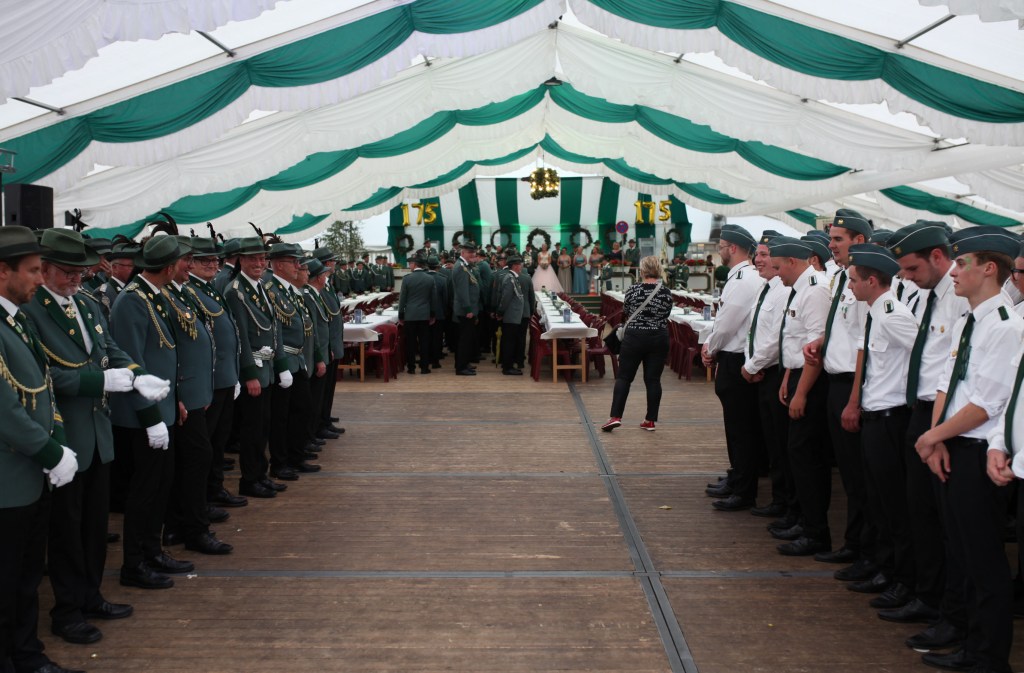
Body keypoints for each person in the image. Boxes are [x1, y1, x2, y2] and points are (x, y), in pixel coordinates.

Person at [23, 230, 158, 644]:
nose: (75, 279)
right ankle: (67, 611)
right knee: (66, 529)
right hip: (65, 432)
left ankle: (91, 595)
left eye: (79, 271)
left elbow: (110, 347)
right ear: (44, 269)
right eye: (66, 272)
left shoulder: (85, 302)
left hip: (98, 433)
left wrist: (135, 374)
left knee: (95, 526)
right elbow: (40, 375)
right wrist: (98, 381)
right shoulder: (31, 310)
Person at [913, 226, 1023, 673]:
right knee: (959, 549)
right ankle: (963, 635)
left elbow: (985, 404)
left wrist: (932, 437)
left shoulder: (1006, 326)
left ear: (989, 268)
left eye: (962, 263)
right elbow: (947, 383)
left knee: (984, 559)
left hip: (980, 451)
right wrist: (938, 437)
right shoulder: (968, 320)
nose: (954, 271)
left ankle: (987, 656)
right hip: (953, 444)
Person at [0, 225, 84, 673]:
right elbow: (6, 410)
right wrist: (51, 453)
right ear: (3, 271)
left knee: (26, 577)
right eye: (33, 270)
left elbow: (42, 389)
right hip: (9, 479)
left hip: (30, 476)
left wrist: (57, 446)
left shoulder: (16, 320)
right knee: (6, 579)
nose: (39, 278)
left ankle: (27, 654)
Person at [883, 221, 968, 643]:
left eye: (912, 268)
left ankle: (948, 609)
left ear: (938, 256)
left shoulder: (959, 298)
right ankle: (927, 593)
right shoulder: (926, 294)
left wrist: (937, 431)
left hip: (943, 418)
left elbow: (954, 369)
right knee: (919, 510)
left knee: (944, 519)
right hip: (919, 411)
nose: (906, 277)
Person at [108, 236, 191, 589]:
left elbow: (165, 355)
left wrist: (175, 402)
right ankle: (134, 564)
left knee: (160, 486)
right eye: (182, 262)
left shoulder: (154, 295)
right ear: (169, 268)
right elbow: (131, 363)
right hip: (143, 416)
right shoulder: (132, 300)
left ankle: (153, 551)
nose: (186, 267)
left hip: (162, 408)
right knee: (143, 492)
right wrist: (151, 417)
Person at [845, 244, 918, 616]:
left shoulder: (893, 315)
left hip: (891, 418)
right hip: (874, 416)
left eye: (853, 280)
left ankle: (903, 579)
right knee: (877, 500)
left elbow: (924, 355)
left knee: (894, 505)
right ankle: (883, 568)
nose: (850, 286)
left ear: (872, 281)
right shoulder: (874, 312)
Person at [803, 209, 876, 573]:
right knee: (849, 474)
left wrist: (854, 399)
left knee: (860, 479)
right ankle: (854, 544)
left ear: (859, 241)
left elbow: (865, 344)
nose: (830, 245)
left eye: (837, 239)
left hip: (851, 384)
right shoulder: (842, 277)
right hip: (836, 381)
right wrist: (822, 340)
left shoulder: (866, 282)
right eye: (830, 239)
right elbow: (845, 332)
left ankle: (865, 552)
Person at [163, 238, 233, 556]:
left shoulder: (184, 293)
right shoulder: (164, 297)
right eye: (187, 260)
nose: (191, 266)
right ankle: (191, 527)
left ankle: (186, 523)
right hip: (182, 393)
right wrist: (179, 392)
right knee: (193, 459)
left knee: (195, 458)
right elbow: (167, 351)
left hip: (196, 390)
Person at [768, 236, 832, 557]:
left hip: (811, 383)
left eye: (778, 267)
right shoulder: (800, 288)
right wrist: (788, 378)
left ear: (792, 262)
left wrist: (802, 392)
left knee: (807, 458)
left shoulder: (815, 290)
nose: (776, 273)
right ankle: (803, 520)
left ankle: (815, 531)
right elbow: (796, 343)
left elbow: (815, 349)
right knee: (796, 454)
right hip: (796, 375)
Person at [701, 225, 764, 511]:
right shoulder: (741, 277)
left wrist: (710, 348)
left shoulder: (743, 279)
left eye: (722, 246)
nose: (720, 251)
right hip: (733, 356)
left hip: (736, 358)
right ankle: (737, 477)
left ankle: (743, 489)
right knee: (736, 426)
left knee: (741, 429)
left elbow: (727, 324)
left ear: (734, 248)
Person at [225, 237, 288, 499]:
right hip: (253, 369)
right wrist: (249, 374)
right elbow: (240, 335)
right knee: (251, 429)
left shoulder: (261, 287)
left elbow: (274, 329)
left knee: (263, 426)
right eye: (253, 259)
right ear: (241, 260)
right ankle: (249, 480)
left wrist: (281, 365)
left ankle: (261, 475)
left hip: (267, 368)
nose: (259, 263)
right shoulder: (235, 291)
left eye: (262, 258)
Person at [740, 231, 795, 521]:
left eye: (764, 255)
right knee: (772, 442)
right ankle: (779, 499)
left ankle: (785, 502)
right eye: (757, 255)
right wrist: (750, 362)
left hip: (773, 372)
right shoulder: (766, 288)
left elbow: (777, 338)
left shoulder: (783, 291)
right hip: (762, 371)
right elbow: (754, 332)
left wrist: (752, 365)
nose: (757, 260)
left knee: (781, 444)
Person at [601, 256, 673, 432]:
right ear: (658, 270)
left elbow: (626, 311)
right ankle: (650, 420)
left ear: (642, 271)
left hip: (635, 337)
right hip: (658, 337)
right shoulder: (666, 292)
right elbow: (666, 314)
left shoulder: (633, 290)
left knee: (624, 377)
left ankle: (615, 417)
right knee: (653, 380)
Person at [398, 254, 439, 375]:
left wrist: (401, 314)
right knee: (424, 342)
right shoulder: (430, 279)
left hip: (410, 315)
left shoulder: (407, 279)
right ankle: (424, 367)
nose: (409, 265)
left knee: (410, 342)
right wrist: (432, 314)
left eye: (410, 263)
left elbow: (402, 298)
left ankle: (411, 367)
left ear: (415, 265)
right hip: (424, 314)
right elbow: (433, 298)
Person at [451, 244, 480, 376]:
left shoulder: (465, 266)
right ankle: (461, 367)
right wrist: (468, 308)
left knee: (466, 339)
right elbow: (463, 291)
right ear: (462, 253)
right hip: (465, 310)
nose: (472, 255)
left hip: (468, 308)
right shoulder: (461, 267)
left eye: (473, 253)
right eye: (469, 253)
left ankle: (463, 363)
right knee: (464, 340)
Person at [497, 256, 527, 375]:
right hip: (510, 316)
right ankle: (507, 367)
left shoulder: (513, 278)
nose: (521, 267)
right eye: (520, 265)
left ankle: (508, 365)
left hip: (513, 315)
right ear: (515, 266)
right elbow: (505, 298)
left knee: (511, 341)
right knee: (509, 342)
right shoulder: (510, 279)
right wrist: (500, 312)